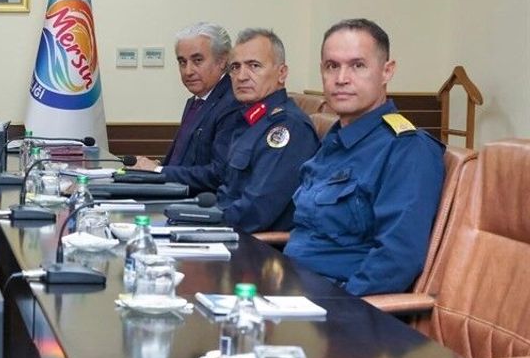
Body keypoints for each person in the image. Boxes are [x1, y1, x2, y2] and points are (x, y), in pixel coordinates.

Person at [285, 19, 444, 295]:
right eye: (332, 66)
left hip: (337, 302)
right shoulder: (334, 139)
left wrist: (340, 307)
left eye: (357, 65)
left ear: (386, 71)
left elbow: (396, 259)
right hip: (289, 285)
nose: (341, 78)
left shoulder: (406, 149)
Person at [214, 28, 320, 233]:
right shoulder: (249, 120)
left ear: (282, 73)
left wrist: (205, 222)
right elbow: (227, 193)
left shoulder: (287, 127)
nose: (241, 76)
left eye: (254, 66)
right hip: (229, 230)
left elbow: (255, 211)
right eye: (235, 67)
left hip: (255, 245)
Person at [131, 22, 244, 192]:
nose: (188, 71)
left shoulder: (232, 103)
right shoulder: (195, 102)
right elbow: (184, 162)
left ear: (222, 61)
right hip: (173, 194)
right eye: (182, 62)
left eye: (197, 60)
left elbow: (219, 174)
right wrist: (156, 167)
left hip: (201, 203)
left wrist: (158, 171)